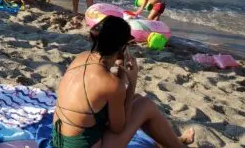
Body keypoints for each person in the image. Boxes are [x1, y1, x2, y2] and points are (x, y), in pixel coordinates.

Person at [52, 16, 194, 148]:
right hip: (83, 144)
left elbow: (100, 91)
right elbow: (118, 128)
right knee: (146, 105)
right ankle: (178, 146)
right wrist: (132, 81)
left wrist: (121, 73)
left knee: (137, 100)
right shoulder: (112, 84)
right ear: (122, 47)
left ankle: (171, 141)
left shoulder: (81, 57)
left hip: (60, 139)